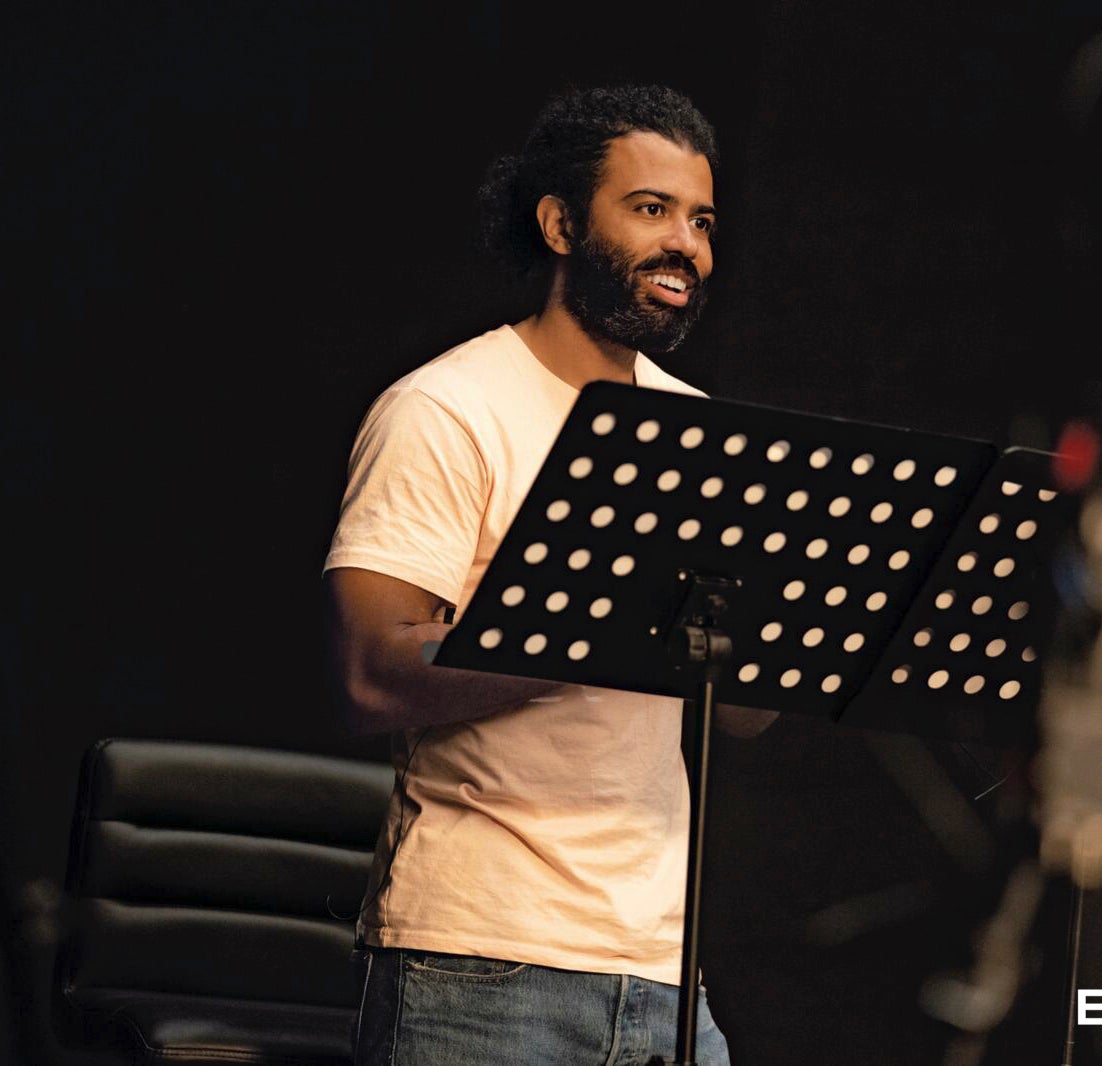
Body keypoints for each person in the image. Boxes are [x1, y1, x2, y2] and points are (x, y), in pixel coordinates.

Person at [324, 84, 774, 1065]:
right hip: (481, 959)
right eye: (650, 209)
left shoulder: (700, 432)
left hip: (663, 965)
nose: (687, 245)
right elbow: (369, 675)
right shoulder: (448, 408)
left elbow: (744, 709)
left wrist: (765, 636)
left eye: (701, 220)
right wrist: (607, 625)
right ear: (561, 223)